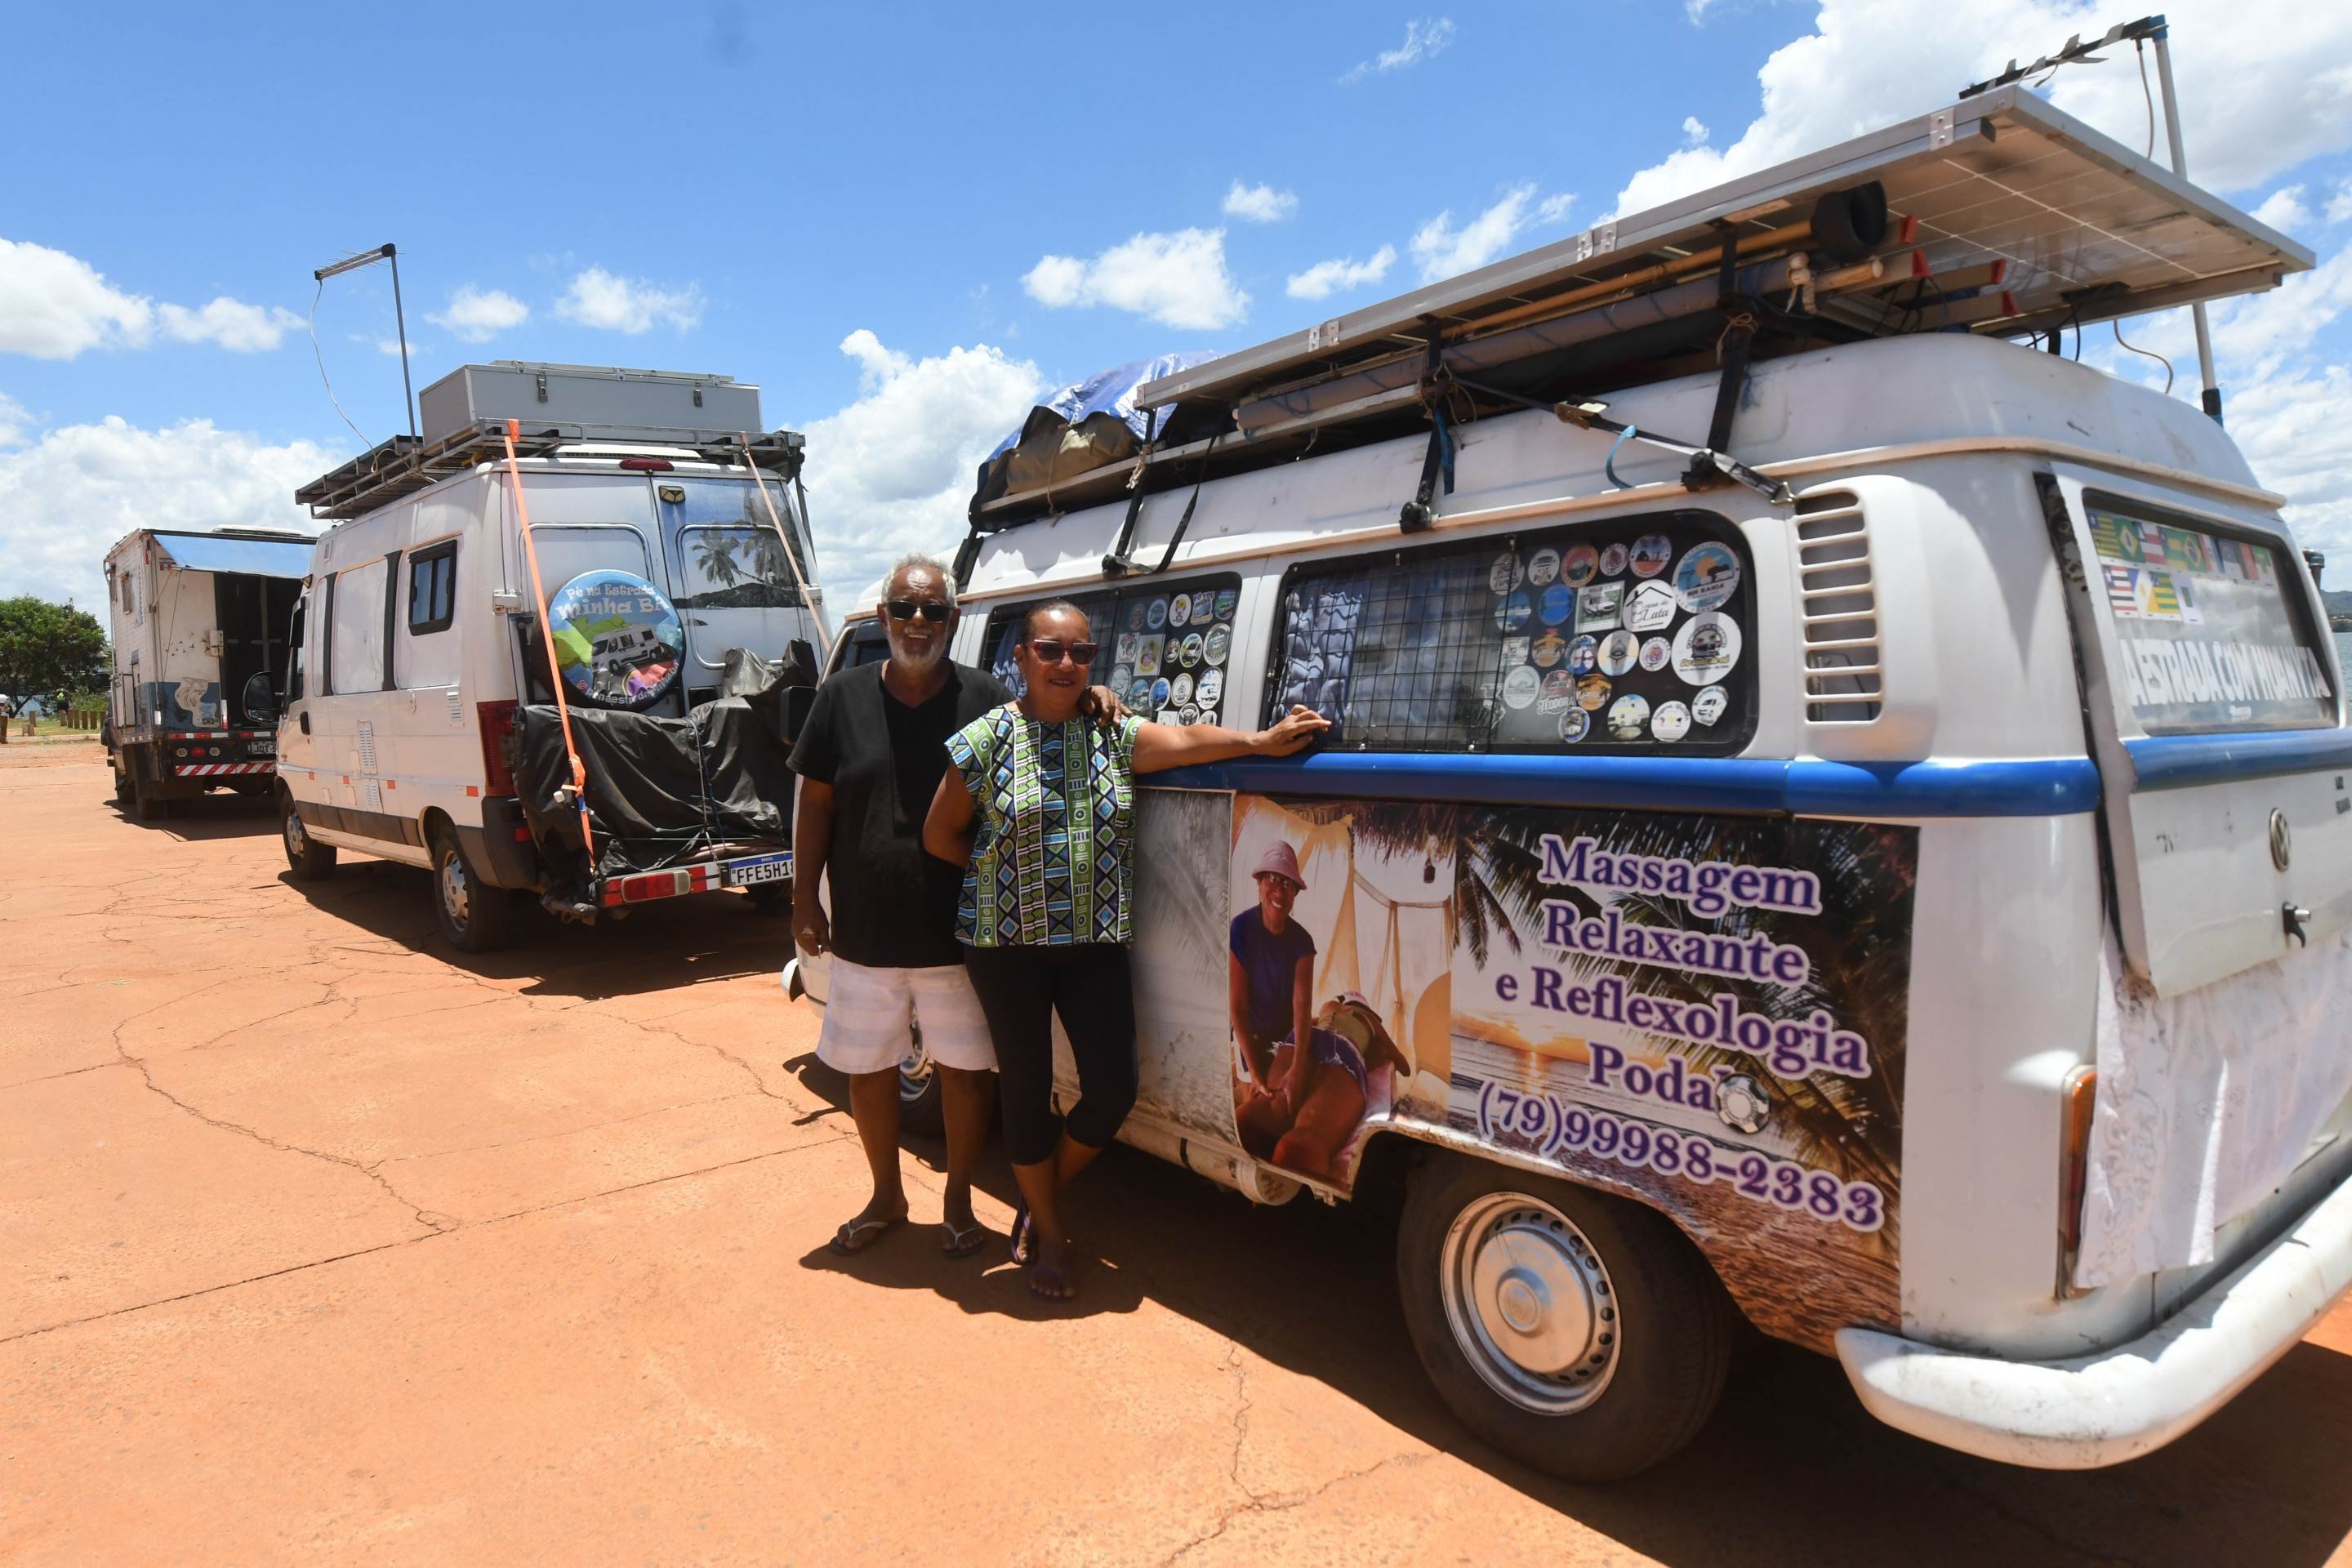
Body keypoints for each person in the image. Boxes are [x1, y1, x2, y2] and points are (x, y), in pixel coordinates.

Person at [923, 600, 1330, 1300]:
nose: (1067, 665)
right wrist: (1005, 877)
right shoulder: (985, 741)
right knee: (1024, 1086)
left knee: (1113, 1089)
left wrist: (1262, 742)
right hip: (1006, 942)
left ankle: (1038, 1192)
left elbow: (1191, 740)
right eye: (1049, 651)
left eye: (1081, 653)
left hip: (1092, 939)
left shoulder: (1110, 732)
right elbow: (940, 835)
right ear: (1019, 658)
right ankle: (1051, 1233)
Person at [786, 554, 1013, 1259]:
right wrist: (804, 902)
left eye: (934, 610)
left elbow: (1047, 736)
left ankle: (958, 1200)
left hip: (960, 929)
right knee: (869, 1069)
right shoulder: (843, 697)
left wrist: (1103, 701)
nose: (920, 622)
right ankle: (887, 1193)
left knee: (967, 1072)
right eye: (906, 609)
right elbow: (816, 805)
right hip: (866, 926)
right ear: (884, 617)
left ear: (952, 619)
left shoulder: (987, 698)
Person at [1228, 840, 1410, 1180]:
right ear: (1260, 882)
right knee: (1305, 1133)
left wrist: (1298, 1070)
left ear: (1295, 892)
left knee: (1271, 1115)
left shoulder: (1332, 1006)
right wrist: (1386, 1055)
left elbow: (1302, 1007)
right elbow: (1397, 1060)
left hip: (1303, 1038)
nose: (1280, 889)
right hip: (1328, 1048)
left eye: (1287, 883)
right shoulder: (1364, 1021)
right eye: (1273, 879)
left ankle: (1245, 1179)